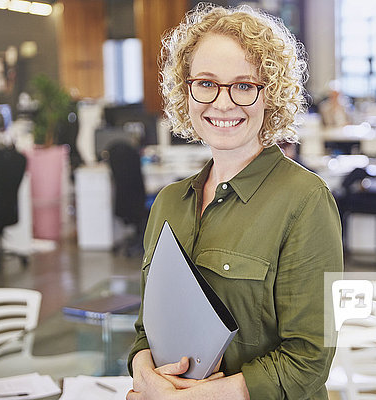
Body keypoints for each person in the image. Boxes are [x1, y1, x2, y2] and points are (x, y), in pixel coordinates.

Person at [127, 4, 343, 400]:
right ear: (185, 90)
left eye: (244, 86)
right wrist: (145, 377)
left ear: (270, 96)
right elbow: (147, 332)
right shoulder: (168, 203)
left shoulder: (306, 201)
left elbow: (310, 358)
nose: (222, 103)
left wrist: (190, 398)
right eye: (206, 83)